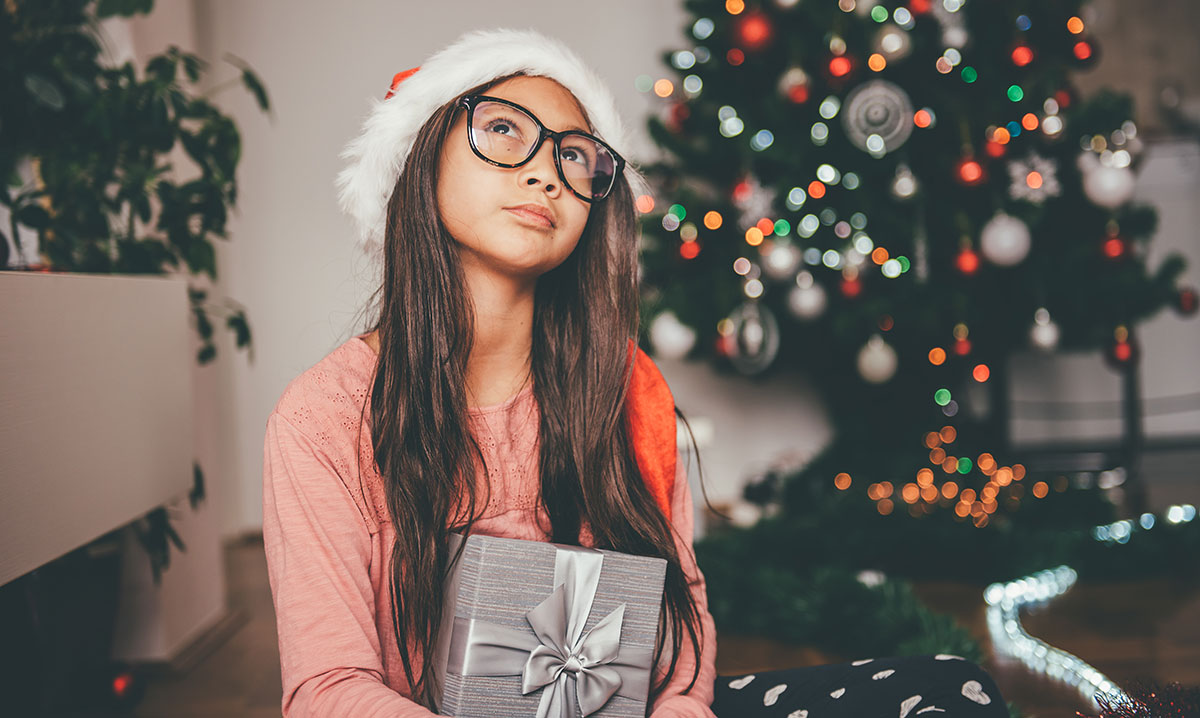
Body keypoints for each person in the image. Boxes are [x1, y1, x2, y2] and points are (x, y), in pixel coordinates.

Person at [261, 27, 1010, 718]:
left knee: (951, 688)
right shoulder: (324, 416)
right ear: (420, 158)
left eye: (574, 155)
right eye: (502, 131)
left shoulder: (624, 387)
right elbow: (328, 688)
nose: (546, 174)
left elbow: (682, 640)